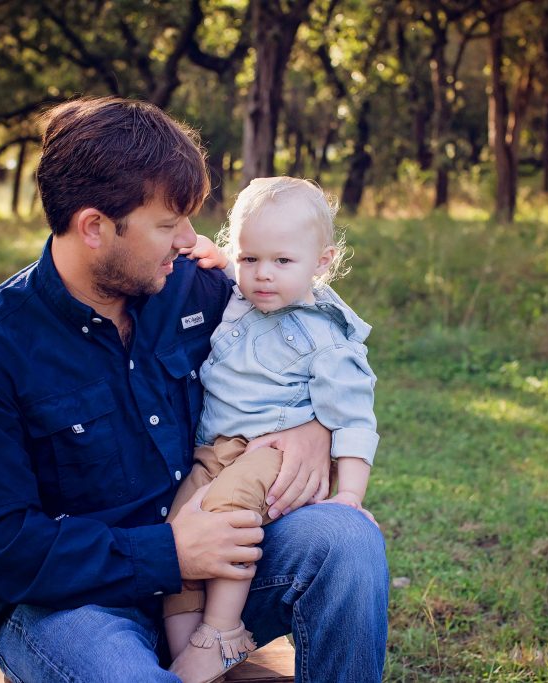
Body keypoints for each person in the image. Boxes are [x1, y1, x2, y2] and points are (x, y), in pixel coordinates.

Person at [0, 96, 389, 682]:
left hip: (219, 577)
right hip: (75, 606)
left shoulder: (200, 289)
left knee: (346, 541)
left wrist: (315, 427)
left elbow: (313, 330)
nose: (188, 239)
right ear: (95, 227)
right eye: (168, 225)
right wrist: (170, 553)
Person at [164, 177, 380, 683]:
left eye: (282, 261)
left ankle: (221, 630)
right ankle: (190, 652)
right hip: (215, 450)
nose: (263, 275)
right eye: (249, 259)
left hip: (273, 451)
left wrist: (348, 494)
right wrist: (210, 254)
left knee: (225, 517)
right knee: (175, 533)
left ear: (322, 261)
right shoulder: (244, 295)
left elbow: (353, 418)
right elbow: (220, 259)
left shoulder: (324, 336)